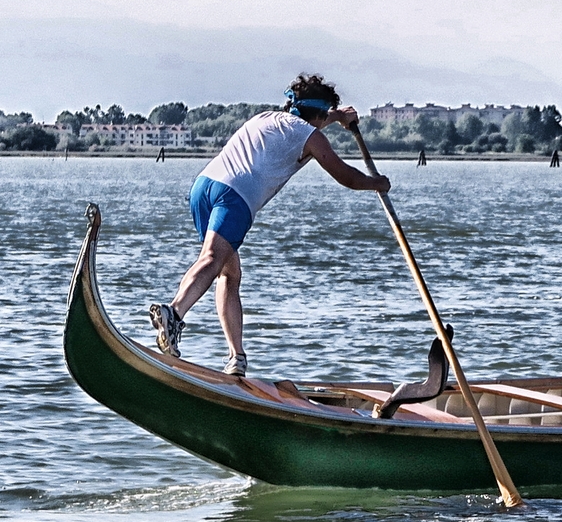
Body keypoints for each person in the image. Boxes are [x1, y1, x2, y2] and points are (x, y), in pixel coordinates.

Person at [148, 73, 389, 375]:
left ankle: (237, 358)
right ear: (317, 113)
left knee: (229, 271)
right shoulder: (311, 137)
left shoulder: (265, 117)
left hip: (204, 185)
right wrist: (376, 183)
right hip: (236, 197)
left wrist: (337, 116)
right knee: (213, 259)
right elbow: (347, 176)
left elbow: (309, 122)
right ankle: (174, 313)